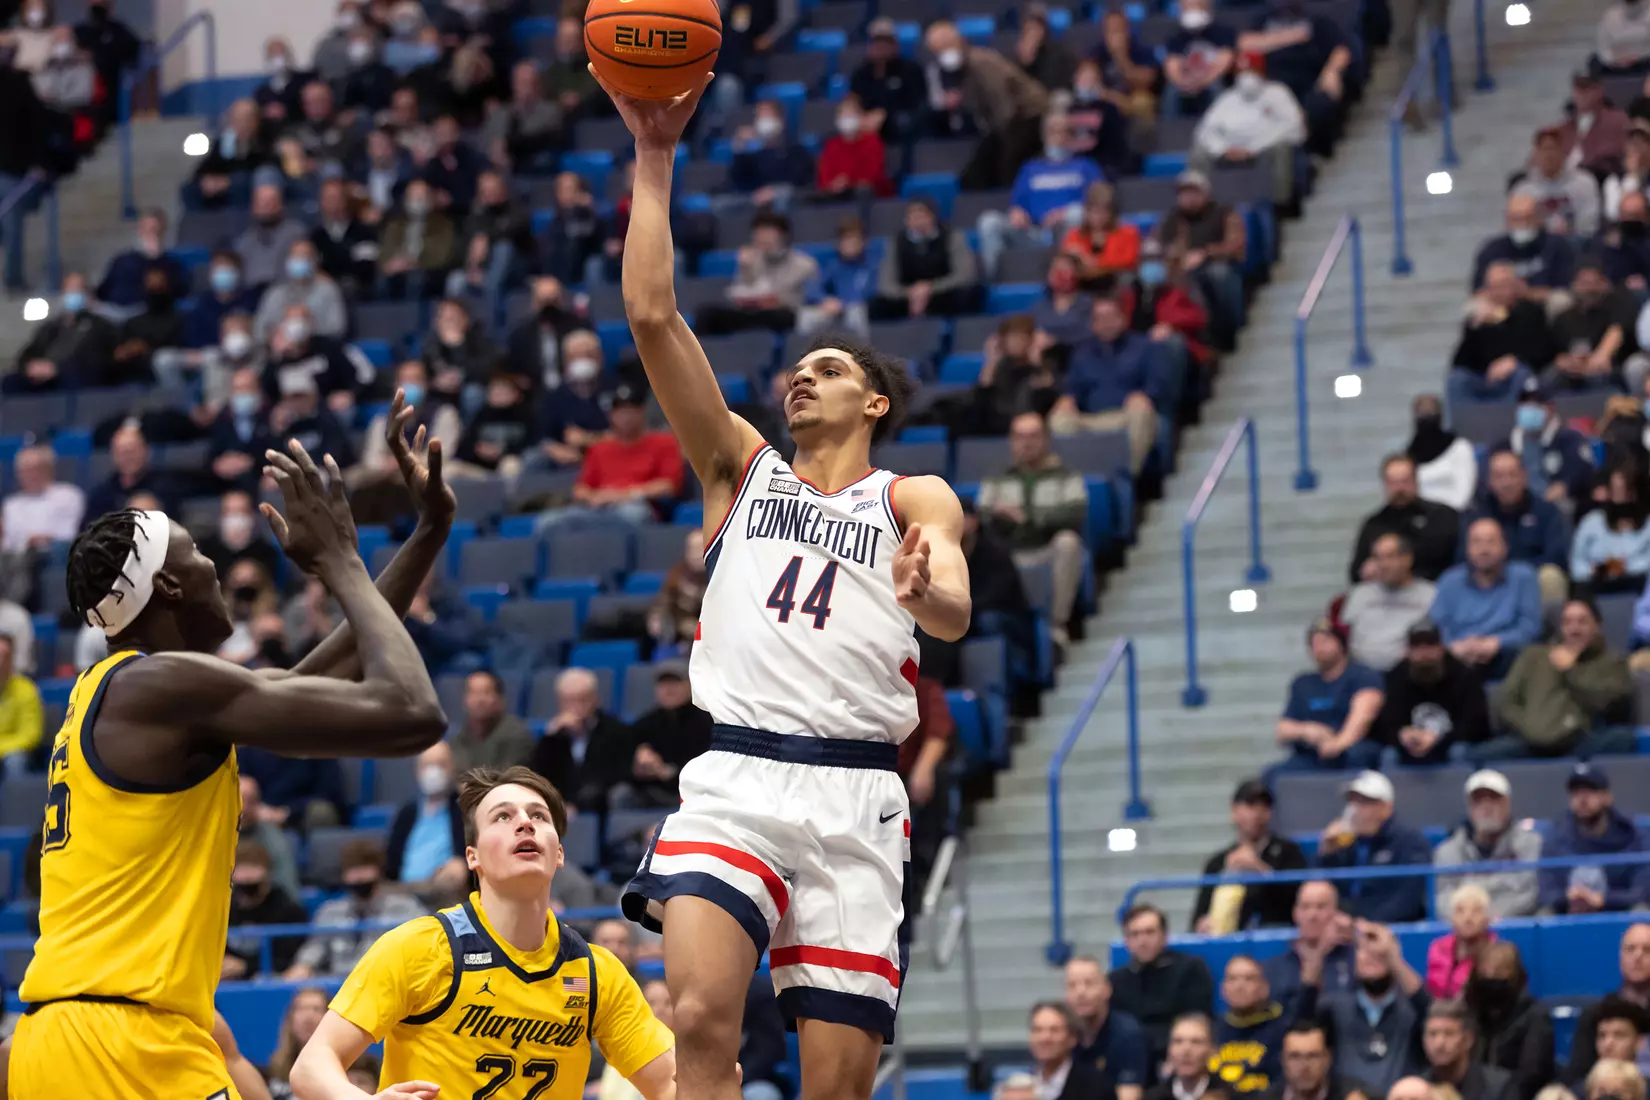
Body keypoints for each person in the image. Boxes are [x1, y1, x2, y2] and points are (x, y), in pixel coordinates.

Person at [595, 71, 970, 1090]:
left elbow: (953, 609)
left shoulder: (913, 495)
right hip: (738, 777)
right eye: (796, 368)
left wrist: (918, 587)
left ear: (877, 401)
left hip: (856, 789)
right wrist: (655, 155)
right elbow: (650, 312)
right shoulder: (741, 469)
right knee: (703, 1015)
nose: (802, 375)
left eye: (830, 368)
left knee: (836, 1082)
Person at [8, 399, 454, 1100]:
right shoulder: (161, 687)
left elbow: (320, 678)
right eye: (199, 553)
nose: (217, 566)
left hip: (69, 1039)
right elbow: (410, 712)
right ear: (170, 585)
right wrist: (338, 563)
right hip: (125, 1044)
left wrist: (428, 533)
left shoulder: (128, 692)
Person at [290, 767, 678, 1099]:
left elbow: (671, 1084)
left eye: (539, 816)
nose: (525, 822)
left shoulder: (596, 973)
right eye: (503, 817)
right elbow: (311, 1066)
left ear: (558, 852)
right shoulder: (420, 948)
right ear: (472, 857)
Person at [976, 412, 1089, 646]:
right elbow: (981, 514)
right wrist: (1001, 516)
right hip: (1009, 554)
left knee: (1068, 542)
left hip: (1046, 549)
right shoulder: (996, 478)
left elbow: (1075, 512)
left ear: (1046, 439)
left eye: (1033, 436)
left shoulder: (1066, 475)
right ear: (1011, 441)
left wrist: (1028, 518)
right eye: (1019, 436)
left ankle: (1056, 624)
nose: (1026, 442)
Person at [1481, 598, 1635, 760]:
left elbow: (1609, 702)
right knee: (1469, 756)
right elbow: (1506, 704)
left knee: (1622, 738)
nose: (1574, 629)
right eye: (1567, 622)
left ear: (1597, 626)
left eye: (1582, 622)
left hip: (1581, 743)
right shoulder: (1533, 656)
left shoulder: (1611, 662)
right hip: (1528, 741)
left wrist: (1571, 672)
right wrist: (1530, 728)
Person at [976, 115, 1104, 281]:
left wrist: (1063, 214)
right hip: (1034, 232)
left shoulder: (1086, 167)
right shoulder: (1030, 169)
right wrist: (1018, 212)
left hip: (1070, 232)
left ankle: (1071, 275)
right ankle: (994, 281)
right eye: (1053, 132)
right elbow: (1017, 205)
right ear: (1045, 137)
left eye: (1064, 132)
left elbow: (1100, 202)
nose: (1058, 138)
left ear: (1071, 136)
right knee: (988, 222)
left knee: (1075, 215)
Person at [1049, 296, 1167, 476]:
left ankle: (1126, 472)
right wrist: (1067, 401)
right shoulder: (1082, 353)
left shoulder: (1143, 346)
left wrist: (1143, 395)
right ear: (1092, 324)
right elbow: (1072, 390)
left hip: (1126, 415)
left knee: (1141, 411)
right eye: (1100, 319)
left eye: (1111, 317)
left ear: (1123, 319)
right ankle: (1077, 477)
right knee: (1058, 419)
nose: (1106, 323)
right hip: (1090, 419)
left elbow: (1156, 385)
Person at [539, 384, 684, 529]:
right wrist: (594, 497)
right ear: (611, 415)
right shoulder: (599, 448)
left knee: (632, 515)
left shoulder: (664, 442)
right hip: (599, 507)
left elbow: (667, 486)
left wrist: (624, 495)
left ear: (642, 411)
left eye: (631, 410)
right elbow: (580, 489)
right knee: (549, 522)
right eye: (620, 411)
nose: (626, 416)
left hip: (636, 506)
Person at [1314, 922, 1431, 1098]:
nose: (1371, 955)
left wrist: (1394, 959)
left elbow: (1432, 1010)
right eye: (1363, 949)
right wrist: (1319, 953)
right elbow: (1300, 1020)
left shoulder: (1411, 1008)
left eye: (1380, 951)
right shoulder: (1334, 1006)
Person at [284, 836, 428, 978]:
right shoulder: (330, 911)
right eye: (353, 870)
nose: (359, 877)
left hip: (388, 983)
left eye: (365, 869)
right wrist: (303, 965)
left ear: (378, 870)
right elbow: (315, 946)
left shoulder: (406, 908)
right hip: (340, 987)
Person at [1428, 519, 1543, 682]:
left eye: (1491, 541)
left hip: (1507, 657)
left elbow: (1531, 628)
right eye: (1476, 542)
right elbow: (1438, 626)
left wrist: (1496, 643)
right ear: (1467, 549)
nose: (1484, 549)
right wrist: (1456, 647)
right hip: (1458, 659)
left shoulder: (1524, 577)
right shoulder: (1449, 581)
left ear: (1505, 547)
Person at [1109, 904, 1216, 1076]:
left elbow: (1197, 1020)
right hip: (1133, 1061)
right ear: (1127, 942)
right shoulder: (1115, 981)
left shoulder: (1191, 969)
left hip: (1179, 1058)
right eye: (1135, 934)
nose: (1143, 940)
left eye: (1150, 932)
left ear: (1164, 936)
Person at [1192, 778, 1309, 935]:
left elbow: (1299, 899)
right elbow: (1198, 916)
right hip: (1229, 941)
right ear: (1234, 811)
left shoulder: (1289, 852)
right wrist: (1202, 924)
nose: (1257, 813)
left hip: (1276, 939)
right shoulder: (1217, 862)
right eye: (1250, 805)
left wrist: (1259, 869)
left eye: (1264, 806)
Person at [1269, 619, 1383, 774]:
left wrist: (1337, 744)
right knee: (1273, 773)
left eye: (1325, 641)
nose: (1319, 647)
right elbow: (1283, 729)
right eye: (1314, 643)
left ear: (1341, 644)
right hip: (1312, 755)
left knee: (1358, 756)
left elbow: (1361, 720)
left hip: (1351, 752)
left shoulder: (1362, 676)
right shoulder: (1303, 683)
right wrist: (1308, 731)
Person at [1317, 771, 1431, 924]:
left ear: (1386, 808)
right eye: (1352, 802)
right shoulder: (1342, 844)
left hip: (1390, 930)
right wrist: (1326, 855)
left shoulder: (1409, 843)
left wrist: (1367, 924)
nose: (1355, 810)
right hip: (1342, 931)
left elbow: (1408, 898)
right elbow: (1318, 891)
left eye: (1364, 803)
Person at [1539, 763, 1650, 914]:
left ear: (1608, 797)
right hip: (1568, 910)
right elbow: (1545, 892)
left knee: (1641, 912)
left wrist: (1602, 899)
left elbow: (1641, 892)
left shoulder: (1632, 834)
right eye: (1576, 793)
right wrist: (1569, 898)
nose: (1582, 799)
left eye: (1591, 791)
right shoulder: (1556, 836)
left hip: (1618, 913)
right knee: (1544, 914)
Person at [1433, 770, 1542, 918]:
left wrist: (1492, 916)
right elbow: (1442, 900)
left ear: (1507, 804)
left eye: (1493, 799)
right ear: (1469, 807)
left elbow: (1531, 893)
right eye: (1478, 801)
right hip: (1464, 931)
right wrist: (1471, 919)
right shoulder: (1447, 851)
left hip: (1514, 925)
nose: (1486, 807)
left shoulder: (1531, 844)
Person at [528, 667, 634, 813]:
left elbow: (611, 777)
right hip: (560, 807)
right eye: (568, 701)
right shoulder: (555, 737)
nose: (575, 708)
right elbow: (537, 777)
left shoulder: (614, 730)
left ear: (596, 700)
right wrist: (549, 738)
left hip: (597, 807)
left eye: (582, 700)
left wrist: (576, 805)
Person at [696, 212, 819, 336]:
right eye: (759, 233)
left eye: (768, 233)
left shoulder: (804, 264)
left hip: (781, 313)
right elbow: (741, 290)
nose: (762, 238)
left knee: (781, 316)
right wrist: (746, 269)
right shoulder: (751, 260)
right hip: (752, 311)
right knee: (707, 314)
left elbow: (805, 299)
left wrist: (776, 300)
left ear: (783, 235)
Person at [1450, 263, 1556, 407]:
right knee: (1457, 379)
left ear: (1515, 287)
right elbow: (1460, 362)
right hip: (1487, 377)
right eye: (1494, 287)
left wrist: (1514, 360)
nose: (1500, 292)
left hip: (1518, 373)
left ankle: (1514, 417)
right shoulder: (1478, 320)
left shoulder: (1531, 312)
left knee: (1521, 374)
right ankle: (1455, 425)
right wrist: (1475, 327)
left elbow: (1543, 351)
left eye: (1504, 286)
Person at [1351, 455, 1462, 583]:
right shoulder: (1374, 525)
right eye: (1393, 482)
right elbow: (1355, 573)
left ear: (1416, 481)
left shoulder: (1443, 516)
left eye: (1405, 481)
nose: (1399, 489)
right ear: (1384, 484)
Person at [1464, 943, 1555, 1100]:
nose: (1491, 977)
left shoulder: (1534, 1015)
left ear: (1515, 976)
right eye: (1484, 972)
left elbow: (1532, 1073)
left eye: (1500, 971)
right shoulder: (1469, 1013)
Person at [620, 661, 713, 809]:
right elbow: (623, 769)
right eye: (663, 684)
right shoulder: (643, 724)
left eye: (675, 683)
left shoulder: (707, 722)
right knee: (622, 795)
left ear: (689, 685)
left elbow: (708, 768)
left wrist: (666, 772)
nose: (668, 690)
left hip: (692, 792)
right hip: (652, 790)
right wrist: (638, 769)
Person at [1495, 380, 1596, 515]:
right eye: (1525, 403)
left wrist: (1564, 486)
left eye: (1536, 403)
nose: (1529, 408)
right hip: (1516, 503)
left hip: (1555, 505)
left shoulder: (1569, 440)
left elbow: (1581, 471)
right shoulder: (1505, 445)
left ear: (1551, 407)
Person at [872, 197, 981, 321]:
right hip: (907, 297)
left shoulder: (952, 237)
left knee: (968, 293)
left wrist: (930, 289)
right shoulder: (896, 243)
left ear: (932, 217)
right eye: (913, 216)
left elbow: (965, 275)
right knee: (878, 304)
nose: (918, 220)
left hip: (942, 293)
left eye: (922, 215)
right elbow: (885, 284)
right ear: (906, 221)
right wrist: (911, 293)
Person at [1343, 533, 1438, 672]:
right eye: (1378, 558)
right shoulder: (1360, 594)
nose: (1383, 565)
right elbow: (1342, 637)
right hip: (1360, 675)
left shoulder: (1431, 595)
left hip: (1411, 674)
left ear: (1408, 558)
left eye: (1390, 557)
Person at [385, 741, 467, 900]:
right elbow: (390, 863)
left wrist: (462, 864)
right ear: (417, 772)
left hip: (441, 889)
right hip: (403, 891)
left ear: (452, 769)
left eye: (441, 765)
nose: (433, 772)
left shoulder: (463, 809)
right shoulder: (407, 812)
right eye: (427, 766)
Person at [1263, 882, 1359, 1015]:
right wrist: (1321, 950)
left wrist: (1355, 936)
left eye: (1321, 907)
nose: (1312, 915)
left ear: (1337, 913)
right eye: (1305, 907)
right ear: (1295, 913)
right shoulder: (1274, 967)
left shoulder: (1354, 959)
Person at [1570, 925, 1650, 1083]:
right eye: (1630, 949)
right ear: (1620, 957)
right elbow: (1578, 1076)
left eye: (1647, 950)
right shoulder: (1597, 1014)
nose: (1638, 956)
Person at [224, 837, 310, 978]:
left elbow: (287, 958)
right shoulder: (223, 909)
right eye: (241, 871)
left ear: (267, 874)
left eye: (253, 870)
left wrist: (245, 966)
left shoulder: (288, 909)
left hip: (270, 977)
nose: (246, 878)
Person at [1064, 956, 1147, 1100]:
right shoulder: (1062, 1036)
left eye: (1089, 984)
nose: (1081, 993)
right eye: (1072, 985)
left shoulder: (1128, 1035)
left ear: (1106, 990)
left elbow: (1129, 1096)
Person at [1212, 955, 1297, 1094]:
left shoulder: (1284, 1030)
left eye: (1249, 979)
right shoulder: (1210, 1031)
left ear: (1265, 988)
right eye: (1232, 979)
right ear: (1223, 989)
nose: (1240, 986)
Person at [1512, 126, 1603, 237]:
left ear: (1563, 151)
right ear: (1536, 154)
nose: (1548, 155)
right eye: (1544, 149)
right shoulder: (1523, 190)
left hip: (1576, 243)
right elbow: (1516, 228)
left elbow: (1590, 224)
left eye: (1553, 148)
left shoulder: (1584, 183)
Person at [1422, 1000, 1516, 1100]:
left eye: (1449, 1034)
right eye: (1432, 1034)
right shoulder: (1416, 1088)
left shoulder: (1499, 1087)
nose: (1439, 1044)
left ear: (1468, 1039)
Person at [1030, 1000, 1120, 1100]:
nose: (1045, 1038)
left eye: (1054, 1030)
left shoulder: (1096, 1086)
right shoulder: (1021, 1085)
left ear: (1072, 1038)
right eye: (1037, 1030)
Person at [3, 444, 84, 552]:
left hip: (59, 558)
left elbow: (71, 534)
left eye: (35, 469)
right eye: (24, 471)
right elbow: (8, 544)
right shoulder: (11, 505)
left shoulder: (69, 496)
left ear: (48, 469)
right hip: (21, 562)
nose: (29, 475)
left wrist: (45, 540)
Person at [1260, 1021, 1368, 1100]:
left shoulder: (1352, 1095)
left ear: (1328, 1059)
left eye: (1312, 1056)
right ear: (1283, 1060)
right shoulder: (1266, 1098)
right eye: (1295, 1057)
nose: (1304, 1066)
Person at [1405, 395, 1478, 512]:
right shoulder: (1408, 455)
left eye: (1430, 414)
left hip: (1456, 514)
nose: (1426, 419)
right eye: (1422, 416)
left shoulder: (1459, 447)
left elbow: (1464, 493)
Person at [452, 669, 533, 773]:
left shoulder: (518, 735)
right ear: (465, 700)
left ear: (500, 700)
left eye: (486, 693)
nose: (479, 700)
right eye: (473, 693)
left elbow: (506, 780)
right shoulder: (460, 736)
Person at [1425, 885, 1496, 999]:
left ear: (1488, 919)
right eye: (1460, 911)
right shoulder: (1437, 948)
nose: (1468, 918)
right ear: (1451, 918)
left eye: (1476, 911)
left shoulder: (1497, 953)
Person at [1571, 997, 1650, 1088]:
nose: (1607, 1044)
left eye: (1619, 1035)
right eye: (1602, 1035)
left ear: (1639, 1042)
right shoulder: (1578, 1093)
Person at [1146, 1013, 1228, 1100]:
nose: (1186, 1050)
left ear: (1212, 1050)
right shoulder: (1152, 1097)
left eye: (1196, 1042)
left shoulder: (1229, 1095)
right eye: (1178, 1041)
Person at [0, 632, 44, 768]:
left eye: (4, 657)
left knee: (15, 760)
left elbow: (30, 736)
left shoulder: (27, 690)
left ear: (12, 660)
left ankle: (16, 790)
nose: (0, 662)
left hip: (13, 753)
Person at [1598, 0, 1650, 73]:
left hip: (1644, 66)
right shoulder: (1611, 15)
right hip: (1616, 67)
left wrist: (1636, 57)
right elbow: (1603, 48)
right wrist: (1615, 59)